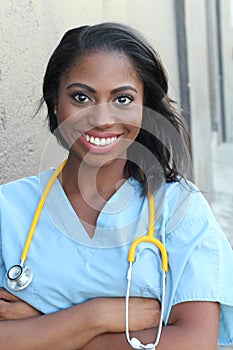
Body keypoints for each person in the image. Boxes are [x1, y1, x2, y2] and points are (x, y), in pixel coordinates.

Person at [0, 22, 233, 350]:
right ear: (54, 101)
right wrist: (99, 315)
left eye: (122, 99)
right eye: (81, 97)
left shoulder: (180, 210)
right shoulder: (7, 210)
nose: (102, 118)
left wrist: (42, 328)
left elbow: (193, 341)